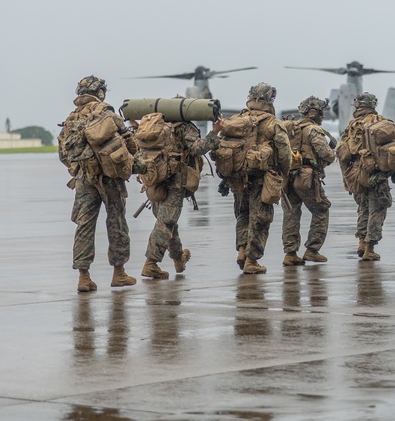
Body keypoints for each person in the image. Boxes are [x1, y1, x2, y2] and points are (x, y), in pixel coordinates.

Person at [58, 76, 141, 293]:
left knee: (84, 225)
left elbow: (63, 154)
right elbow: (130, 144)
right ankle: (119, 273)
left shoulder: (71, 118)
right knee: (117, 222)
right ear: (100, 92)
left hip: (84, 178)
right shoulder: (106, 112)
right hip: (109, 177)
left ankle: (83, 277)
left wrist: (79, 168)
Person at [219, 82, 292, 275]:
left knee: (243, 214)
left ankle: (242, 251)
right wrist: (284, 173)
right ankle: (252, 260)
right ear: (270, 100)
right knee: (261, 218)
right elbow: (285, 153)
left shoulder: (236, 119)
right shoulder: (272, 123)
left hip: (237, 177)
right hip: (262, 178)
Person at [138, 116, 222, 280]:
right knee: (166, 222)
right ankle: (151, 263)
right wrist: (215, 132)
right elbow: (198, 148)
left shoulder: (155, 125)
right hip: (175, 181)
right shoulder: (185, 127)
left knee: (167, 220)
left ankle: (178, 258)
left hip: (154, 177)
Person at [338, 92, 395, 262]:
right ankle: (370, 248)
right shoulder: (383, 123)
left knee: (363, 209)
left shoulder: (351, 126)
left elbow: (342, 154)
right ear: (373, 105)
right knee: (377, 210)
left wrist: (346, 178)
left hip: (357, 175)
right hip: (377, 175)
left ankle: (361, 243)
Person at [281, 96, 336, 266]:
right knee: (321, 209)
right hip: (306, 178)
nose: (322, 116)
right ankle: (312, 249)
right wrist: (331, 155)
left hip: (287, 178)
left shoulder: (289, 128)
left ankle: (290, 253)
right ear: (315, 113)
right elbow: (326, 153)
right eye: (321, 112)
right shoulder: (313, 130)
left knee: (291, 213)